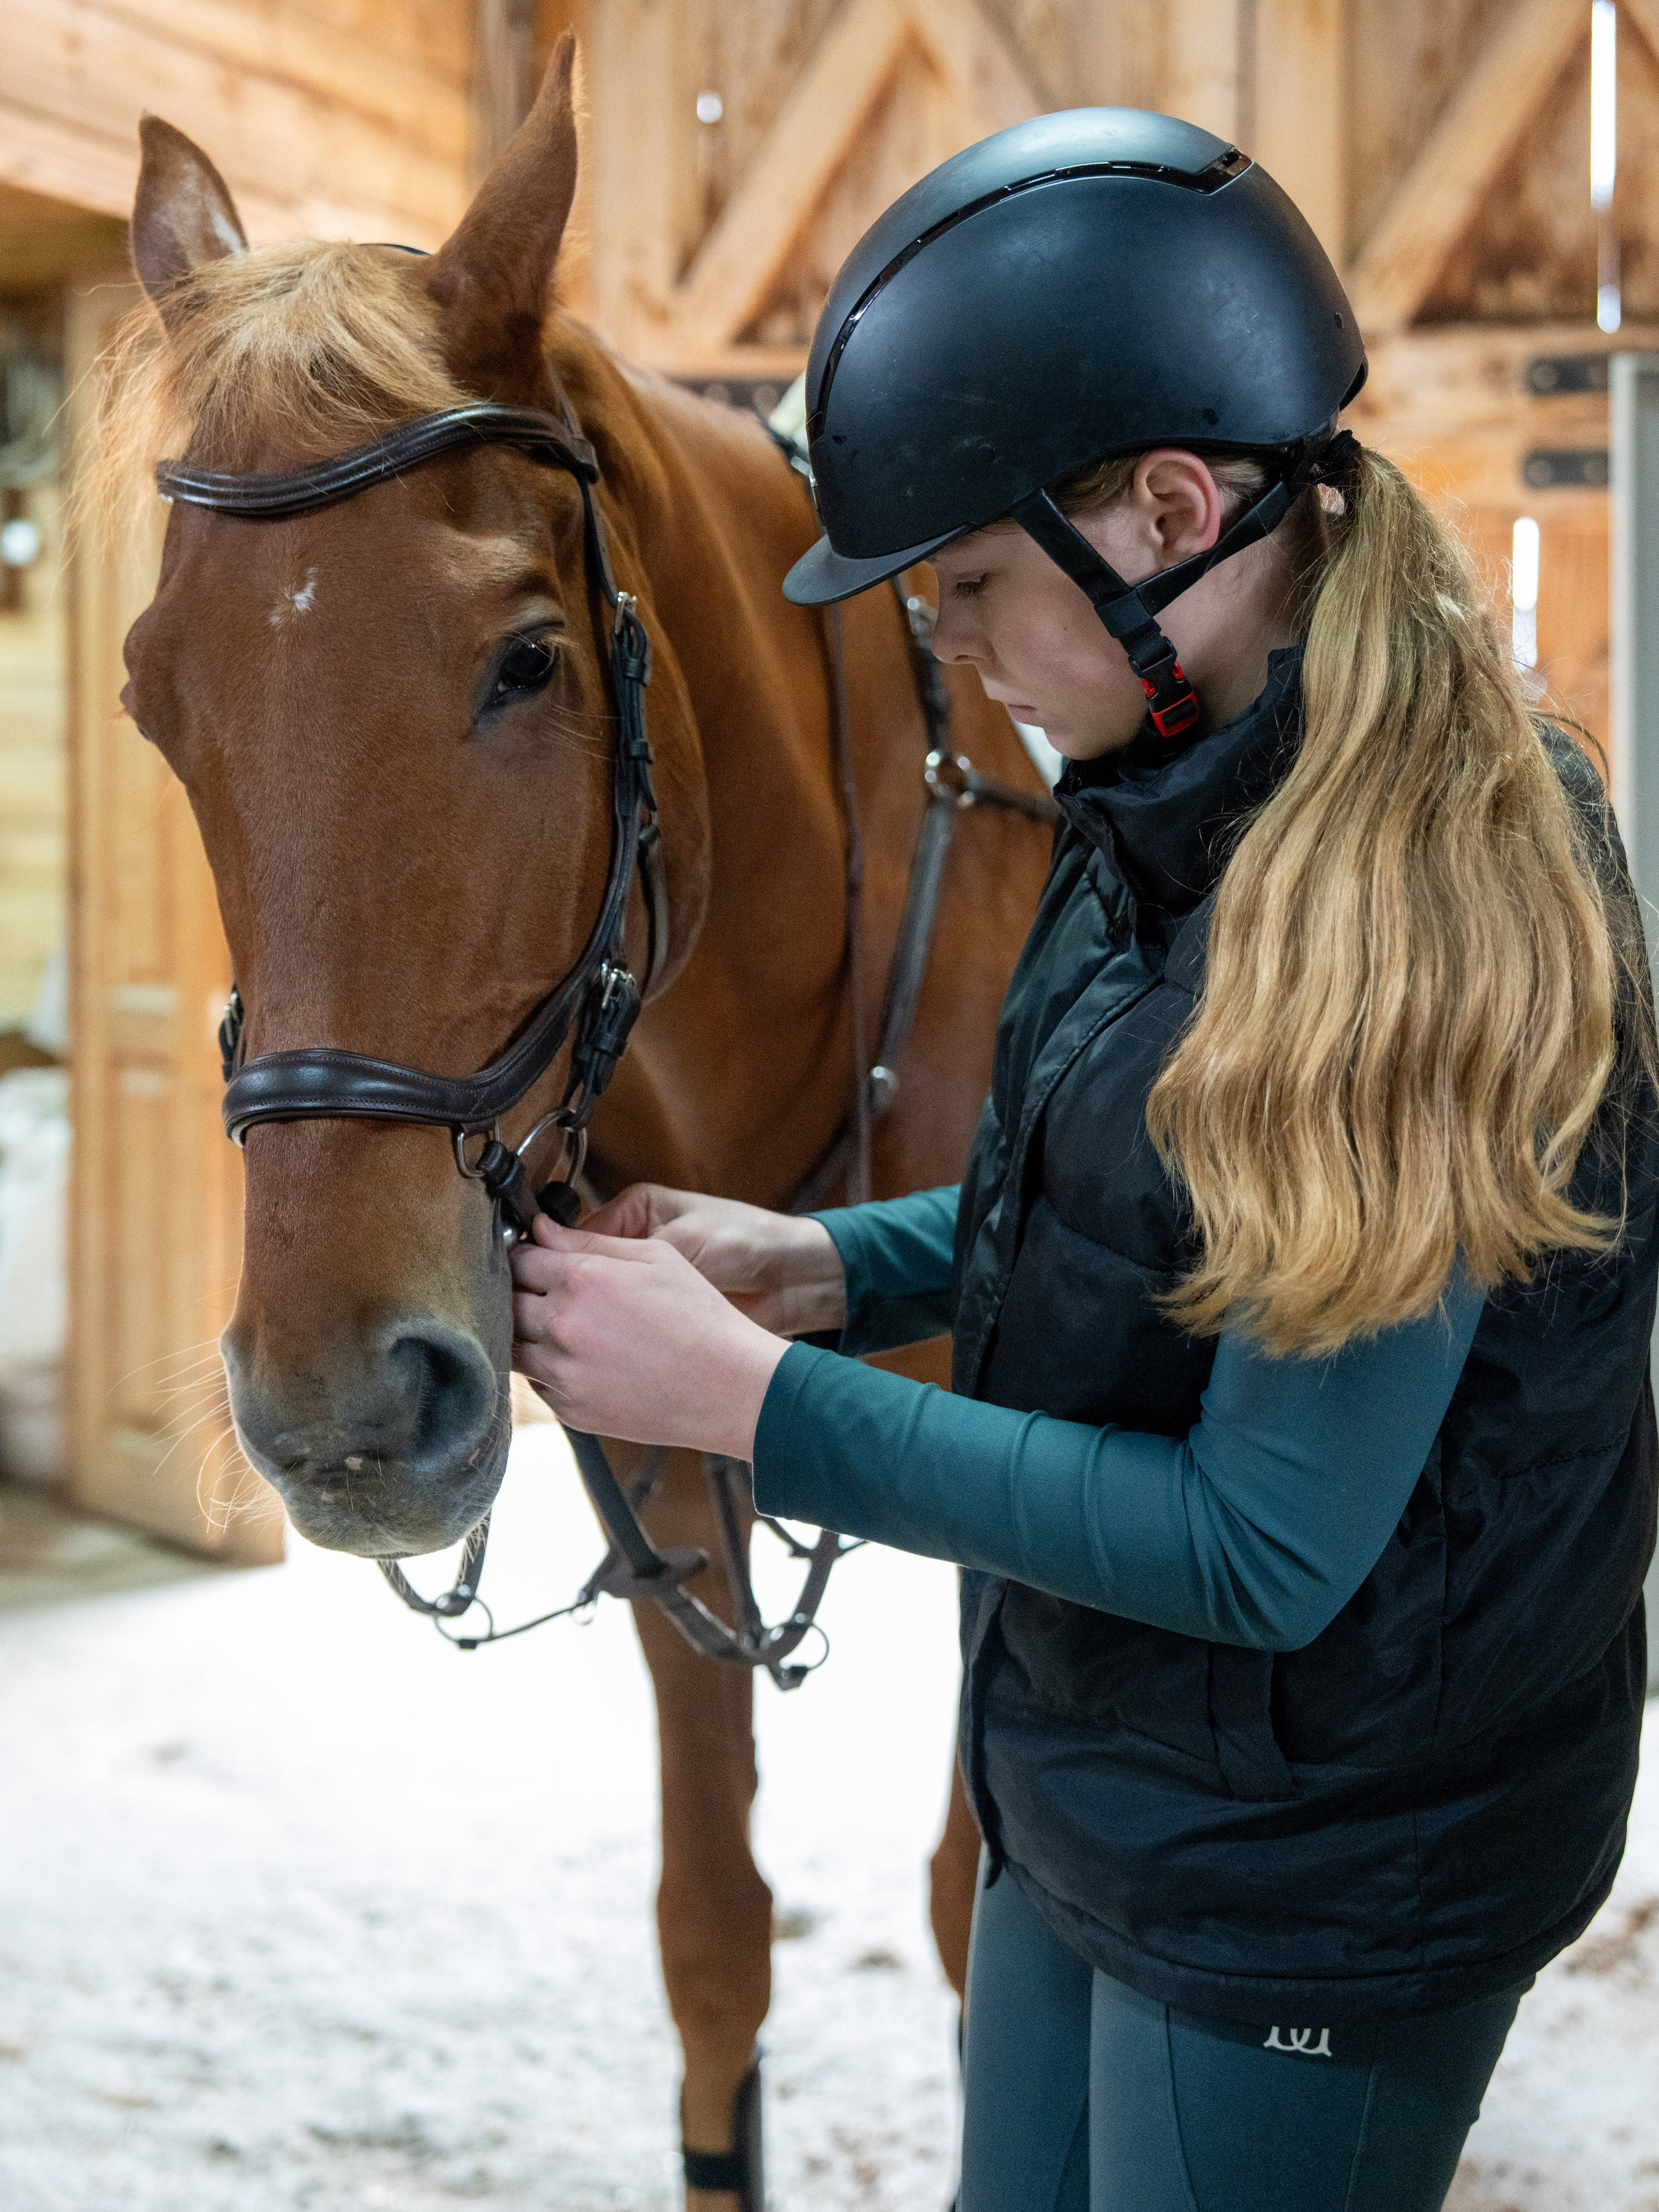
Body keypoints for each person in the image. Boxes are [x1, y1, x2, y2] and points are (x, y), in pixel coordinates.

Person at [509, 110, 1659, 2211]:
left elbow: (1260, 1546)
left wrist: (759, 1408)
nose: (943, 644)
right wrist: (832, 1266)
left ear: (1171, 513)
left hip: (1328, 1868)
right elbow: (1137, 1207)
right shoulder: (1158, 795)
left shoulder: (1423, 904)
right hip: (1094, 1777)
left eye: (965, 585)